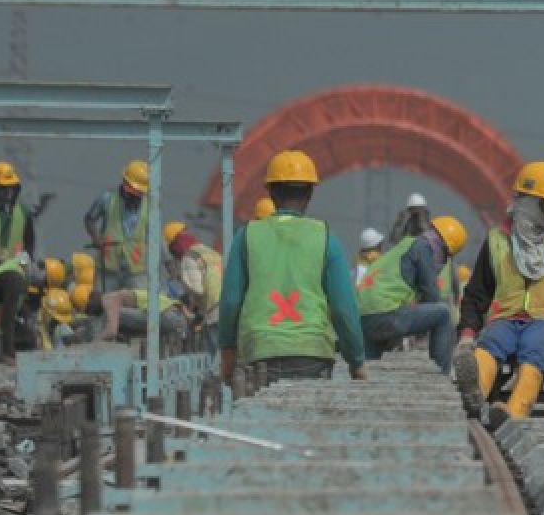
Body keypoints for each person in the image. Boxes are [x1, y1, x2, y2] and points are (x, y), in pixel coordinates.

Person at [455, 161, 544, 427]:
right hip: (505, 319)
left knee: (535, 351)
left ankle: (512, 415)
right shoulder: (497, 240)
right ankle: (474, 398)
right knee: (489, 345)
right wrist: (467, 335)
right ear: (529, 202)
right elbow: (477, 293)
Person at [218, 150, 367, 383]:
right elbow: (344, 309)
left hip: (260, 354)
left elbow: (230, 302)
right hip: (312, 354)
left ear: (270, 191)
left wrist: (228, 353)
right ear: (310, 193)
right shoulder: (326, 237)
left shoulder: (246, 236)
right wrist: (356, 361)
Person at [358, 215, 468, 373]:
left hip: (364, 317)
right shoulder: (424, 248)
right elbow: (432, 296)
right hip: (385, 313)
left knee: (370, 370)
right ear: (445, 248)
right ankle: (442, 375)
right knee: (443, 313)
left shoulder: (406, 244)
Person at [84, 159, 150, 291]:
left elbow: (155, 237)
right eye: (133, 191)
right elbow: (89, 219)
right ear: (125, 183)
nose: (135, 196)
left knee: (140, 305)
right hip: (109, 268)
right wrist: (96, 238)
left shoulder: (150, 208)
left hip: (136, 271)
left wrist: (168, 261)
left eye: (139, 193)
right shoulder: (107, 199)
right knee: (105, 303)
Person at [164, 221, 223, 357]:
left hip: (215, 310)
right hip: (230, 306)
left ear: (174, 246)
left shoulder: (189, 257)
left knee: (215, 358)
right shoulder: (209, 252)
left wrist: (190, 298)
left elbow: (197, 289)